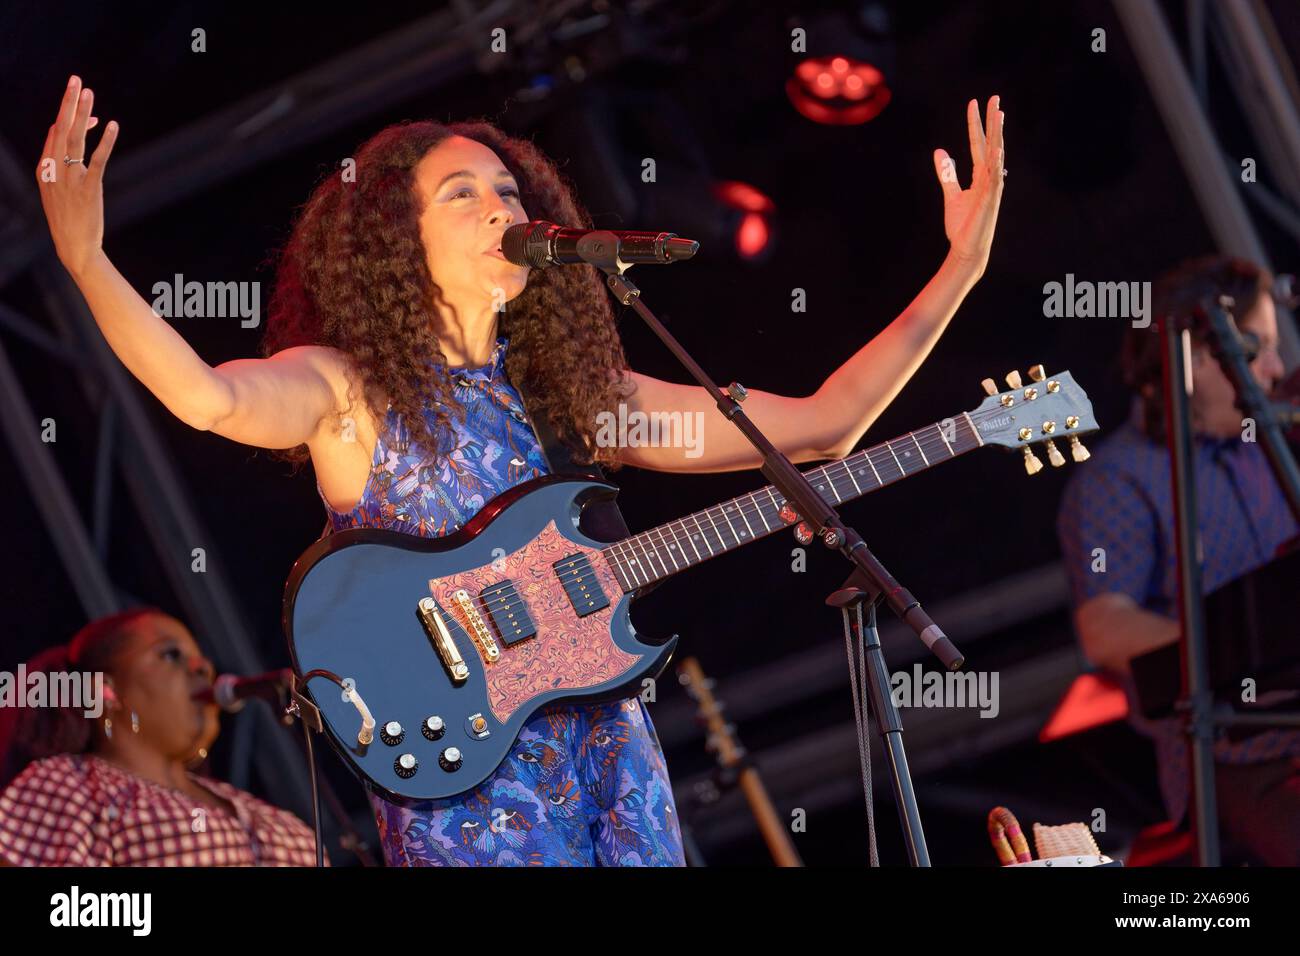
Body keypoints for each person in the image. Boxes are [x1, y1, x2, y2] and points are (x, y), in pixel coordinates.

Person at [35, 74, 1005, 865]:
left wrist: (956, 269)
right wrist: (88, 262)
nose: (501, 207)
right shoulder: (352, 392)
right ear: (395, 242)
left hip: (607, 759)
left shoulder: (573, 398)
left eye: (509, 191)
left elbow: (821, 425)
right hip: (460, 781)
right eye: (463, 193)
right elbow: (208, 396)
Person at [1057, 255, 1300, 866]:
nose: (1276, 369)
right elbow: (1105, 628)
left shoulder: (1272, 433)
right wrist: (1235, 645)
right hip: (1237, 757)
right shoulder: (1118, 478)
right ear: (1192, 361)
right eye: (1259, 349)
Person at [0, 608, 321, 866]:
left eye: (201, 659)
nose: (203, 668)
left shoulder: (262, 812)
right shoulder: (68, 786)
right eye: (171, 655)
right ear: (106, 692)